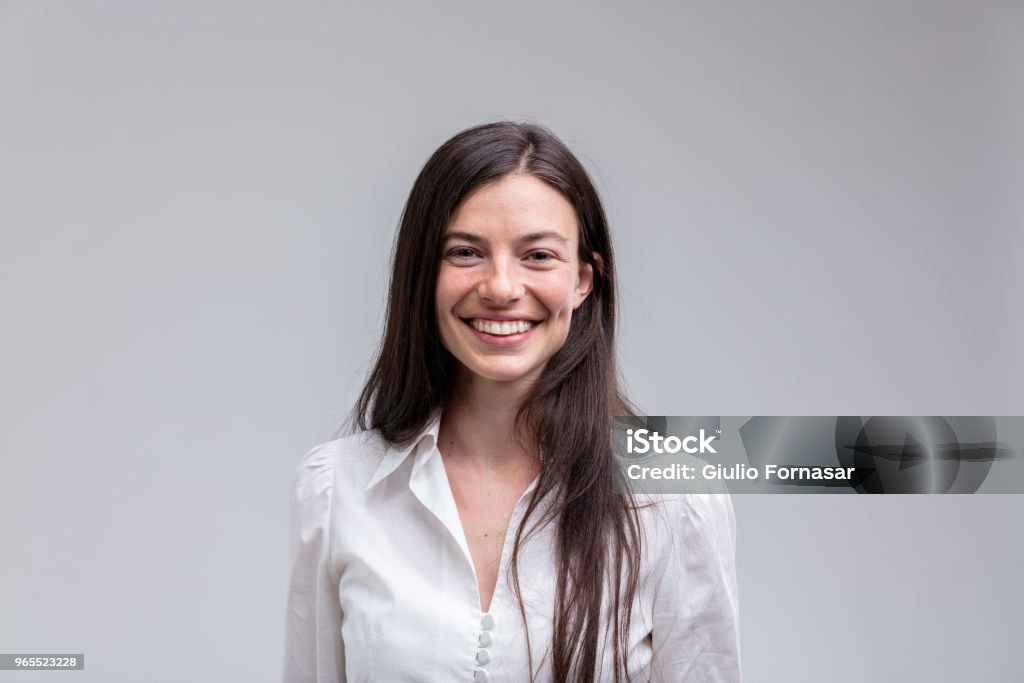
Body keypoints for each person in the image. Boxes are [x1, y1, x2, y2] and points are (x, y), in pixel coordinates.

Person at [282, 122, 740, 682]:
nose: (500, 287)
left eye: (538, 255)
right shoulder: (335, 487)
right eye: (466, 252)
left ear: (583, 281)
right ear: (423, 275)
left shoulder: (675, 492)